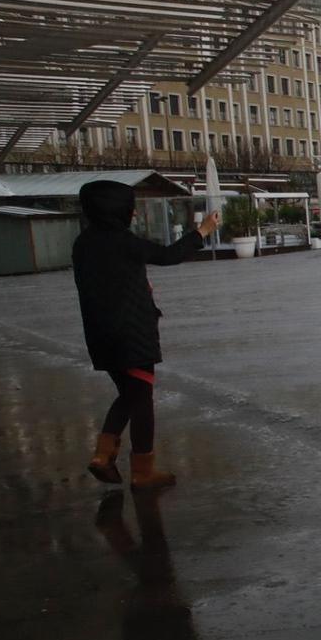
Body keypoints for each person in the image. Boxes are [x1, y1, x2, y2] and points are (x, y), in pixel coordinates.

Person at [73, 181, 217, 489]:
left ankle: (103, 455)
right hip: (131, 334)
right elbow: (168, 255)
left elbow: (110, 280)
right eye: (130, 206)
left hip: (100, 335)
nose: (134, 210)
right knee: (141, 401)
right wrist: (202, 231)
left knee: (129, 393)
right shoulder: (123, 242)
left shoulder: (83, 243)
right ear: (117, 210)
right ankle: (142, 471)